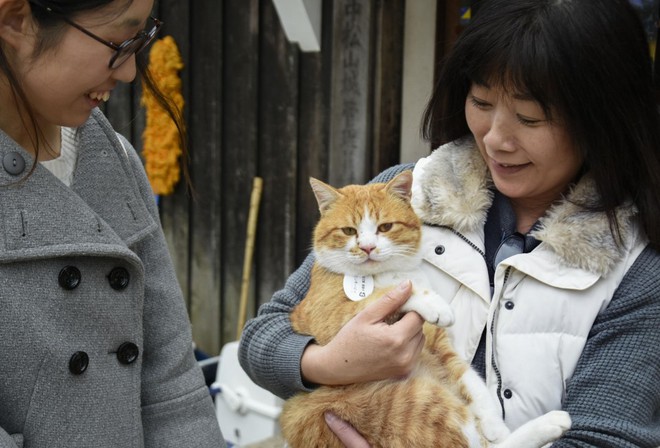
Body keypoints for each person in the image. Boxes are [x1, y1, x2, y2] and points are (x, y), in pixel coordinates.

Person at [239, 0, 660, 446]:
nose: (496, 138)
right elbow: (262, 339)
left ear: (603, 118)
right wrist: (327, 363)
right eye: (480, 101)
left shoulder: (638, 264)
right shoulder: (401, 196)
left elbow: (605, 439)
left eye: (529, 117)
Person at [0, 0, 225, 447]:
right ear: (15, 20)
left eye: (141, 38)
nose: (128, 72)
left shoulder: (114, 158)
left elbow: (172, 387)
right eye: (120, 41)